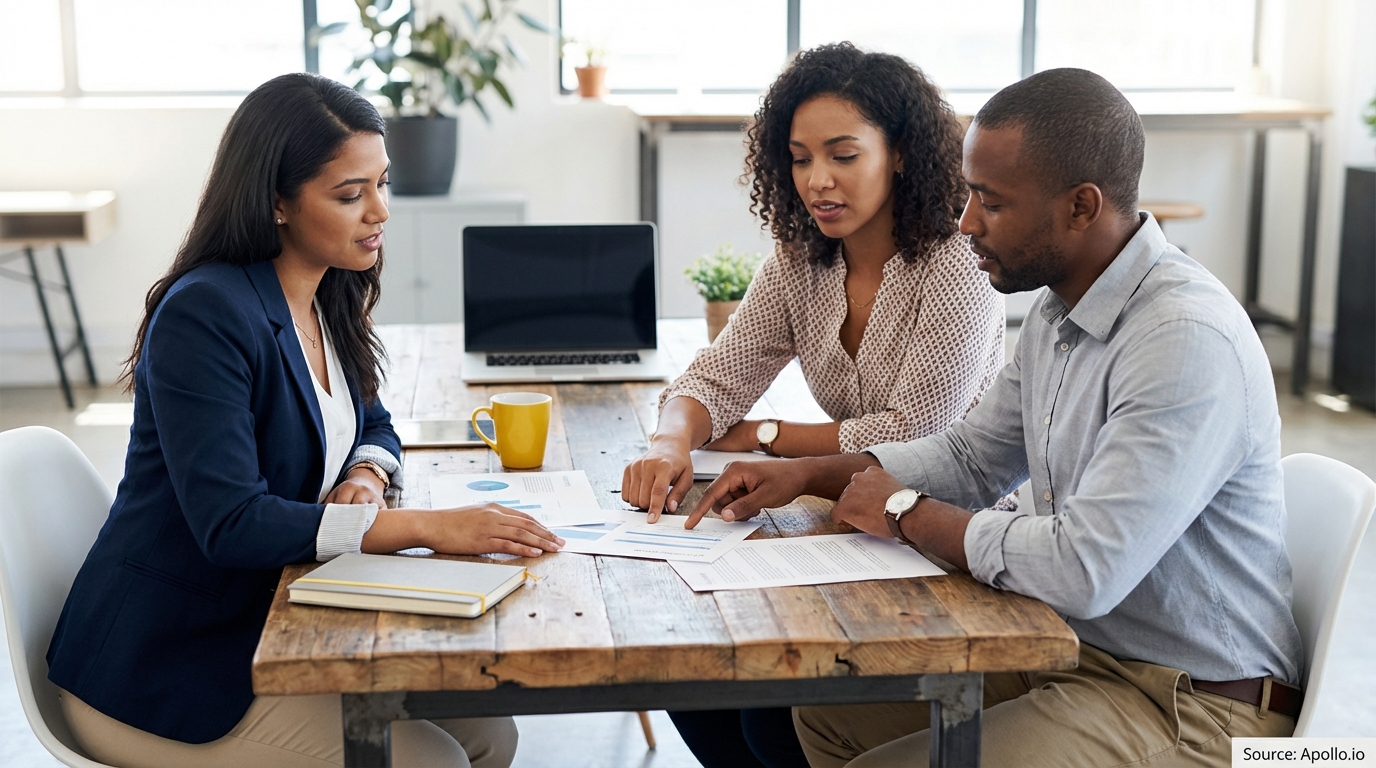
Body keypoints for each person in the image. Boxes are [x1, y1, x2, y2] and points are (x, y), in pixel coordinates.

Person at [692, 68, 1304, 767]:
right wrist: (811, 474)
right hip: (1077, 653)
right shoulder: (1060, 307)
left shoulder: (1184, 339)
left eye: (990, 202)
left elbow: (1084, 567)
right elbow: (975, 459)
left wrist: (903, 510)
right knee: (824, 713)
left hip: (1194, 705)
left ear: (1081, 207)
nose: (966, 222)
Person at [45, 73, 564, 768]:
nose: (379, 211)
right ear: (277, 203)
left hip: (267, 626)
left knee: (490, 733)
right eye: (350, 195)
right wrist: (420, 527)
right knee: (436, 759)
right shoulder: (205, 316)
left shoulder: (328, 291)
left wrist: (367, 476)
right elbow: (231, 523)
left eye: (383, 184)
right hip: (166, 671)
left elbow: (374, 423)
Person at [626, 43, 1006, 768]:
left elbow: (916, 433)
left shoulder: (955, 263)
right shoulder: (801, 255)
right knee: (689, 668)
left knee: (773, 714)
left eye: (841, 155)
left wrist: (771, 436)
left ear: (898, 155)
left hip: (944, 532)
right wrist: (670, 444)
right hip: (849, 525)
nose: (817, 181)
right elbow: (715, 374)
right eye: (800, 158)